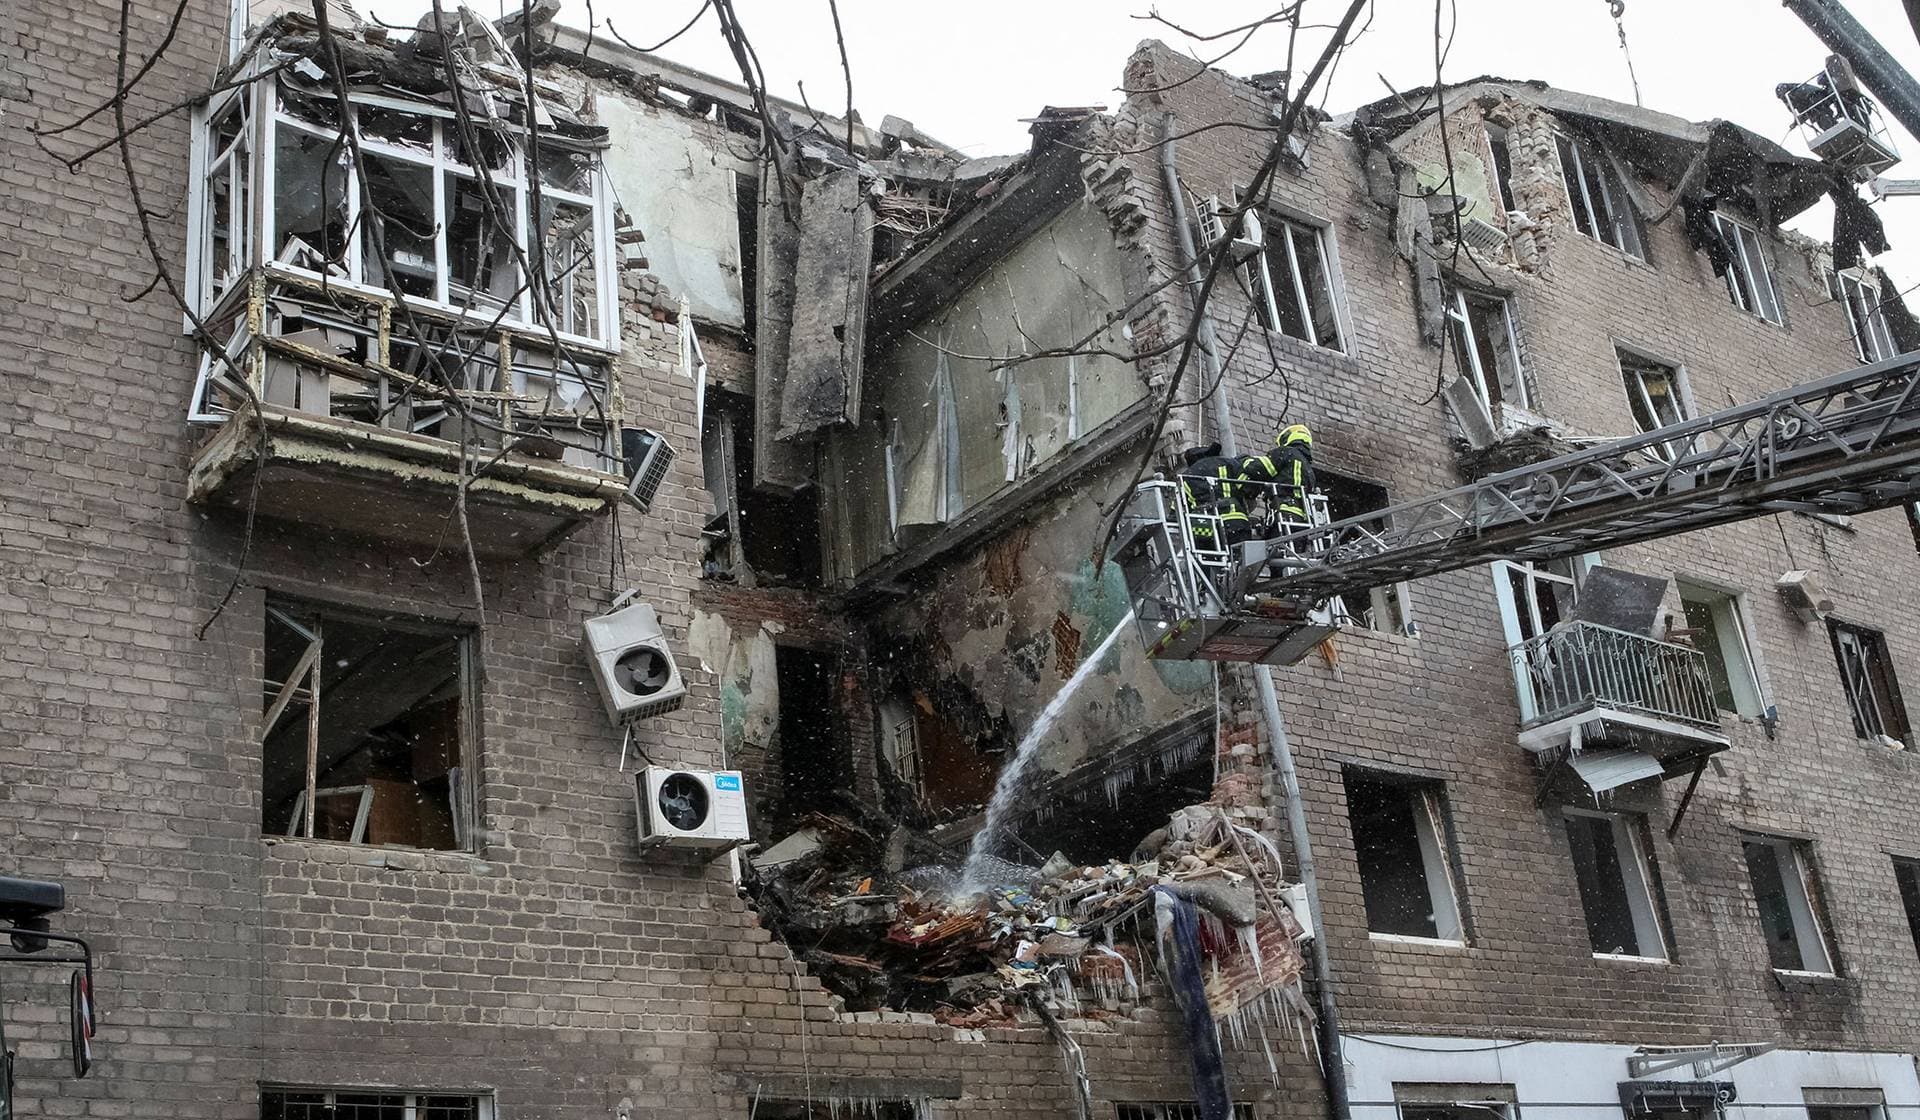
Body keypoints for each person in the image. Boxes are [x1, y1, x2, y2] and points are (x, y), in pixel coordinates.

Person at [1235, 423, 1316, 534]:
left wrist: (1245, 461)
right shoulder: (1308, 469)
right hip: (1302, 519)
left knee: (1277, 549)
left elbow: (1260, 468)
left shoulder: (1286, 452)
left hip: (1283, 513)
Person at [1176, 444, 1253, 549]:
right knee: (1241, 559)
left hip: (1205, 530)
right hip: (1235, 522)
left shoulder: (1185, 477)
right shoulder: (1230, 463)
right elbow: (1248, 487)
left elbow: (1176, 510)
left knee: (1211, 562)